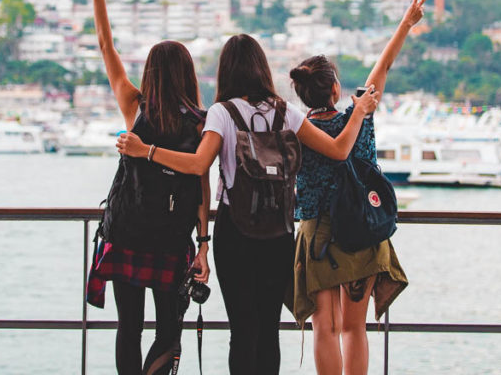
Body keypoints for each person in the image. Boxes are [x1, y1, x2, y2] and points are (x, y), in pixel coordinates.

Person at [117, 34, 380, 375]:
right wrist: (358, 112)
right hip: (279, 232)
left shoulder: (221, 114)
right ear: (261, 69)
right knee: (269, 330)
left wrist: (146, 151)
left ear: (227, 70)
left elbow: (198, 165)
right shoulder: (286, 112)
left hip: (234, 232)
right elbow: (339, 150)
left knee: (243, 330)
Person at [78, 0, 211, 375]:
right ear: (188, 74)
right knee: (169, 329)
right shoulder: (201, 123)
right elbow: (202, 187)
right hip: (172, 238)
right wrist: (203, 243)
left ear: (151, 72)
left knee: (128, 326)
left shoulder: (135, 108)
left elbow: (105, 45)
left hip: (128, 232)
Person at [288, 0, 427, 375]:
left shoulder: (299, 129)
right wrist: (406, 24)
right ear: (335, 89)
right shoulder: (360, 114)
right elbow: (382, 69)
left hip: (318, 235)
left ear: (302, 95)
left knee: (324, 330)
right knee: (355, 328)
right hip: (361, 230)